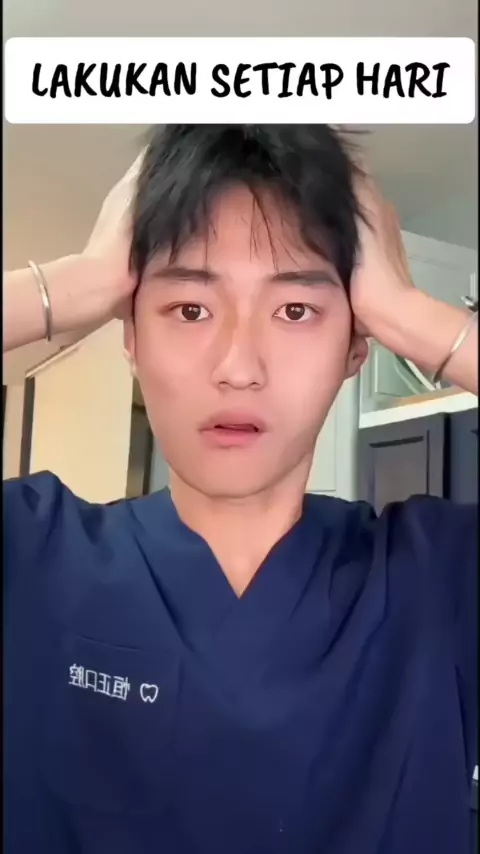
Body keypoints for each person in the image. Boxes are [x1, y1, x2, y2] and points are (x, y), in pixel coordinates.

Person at [3, 125, 477, 854]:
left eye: (296, 310)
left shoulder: (439, 583)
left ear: (357, 343)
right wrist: (75, 284)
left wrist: (408, 311)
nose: (238, 367)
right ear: (130, 335)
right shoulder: (30, 556)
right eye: (190, 308)